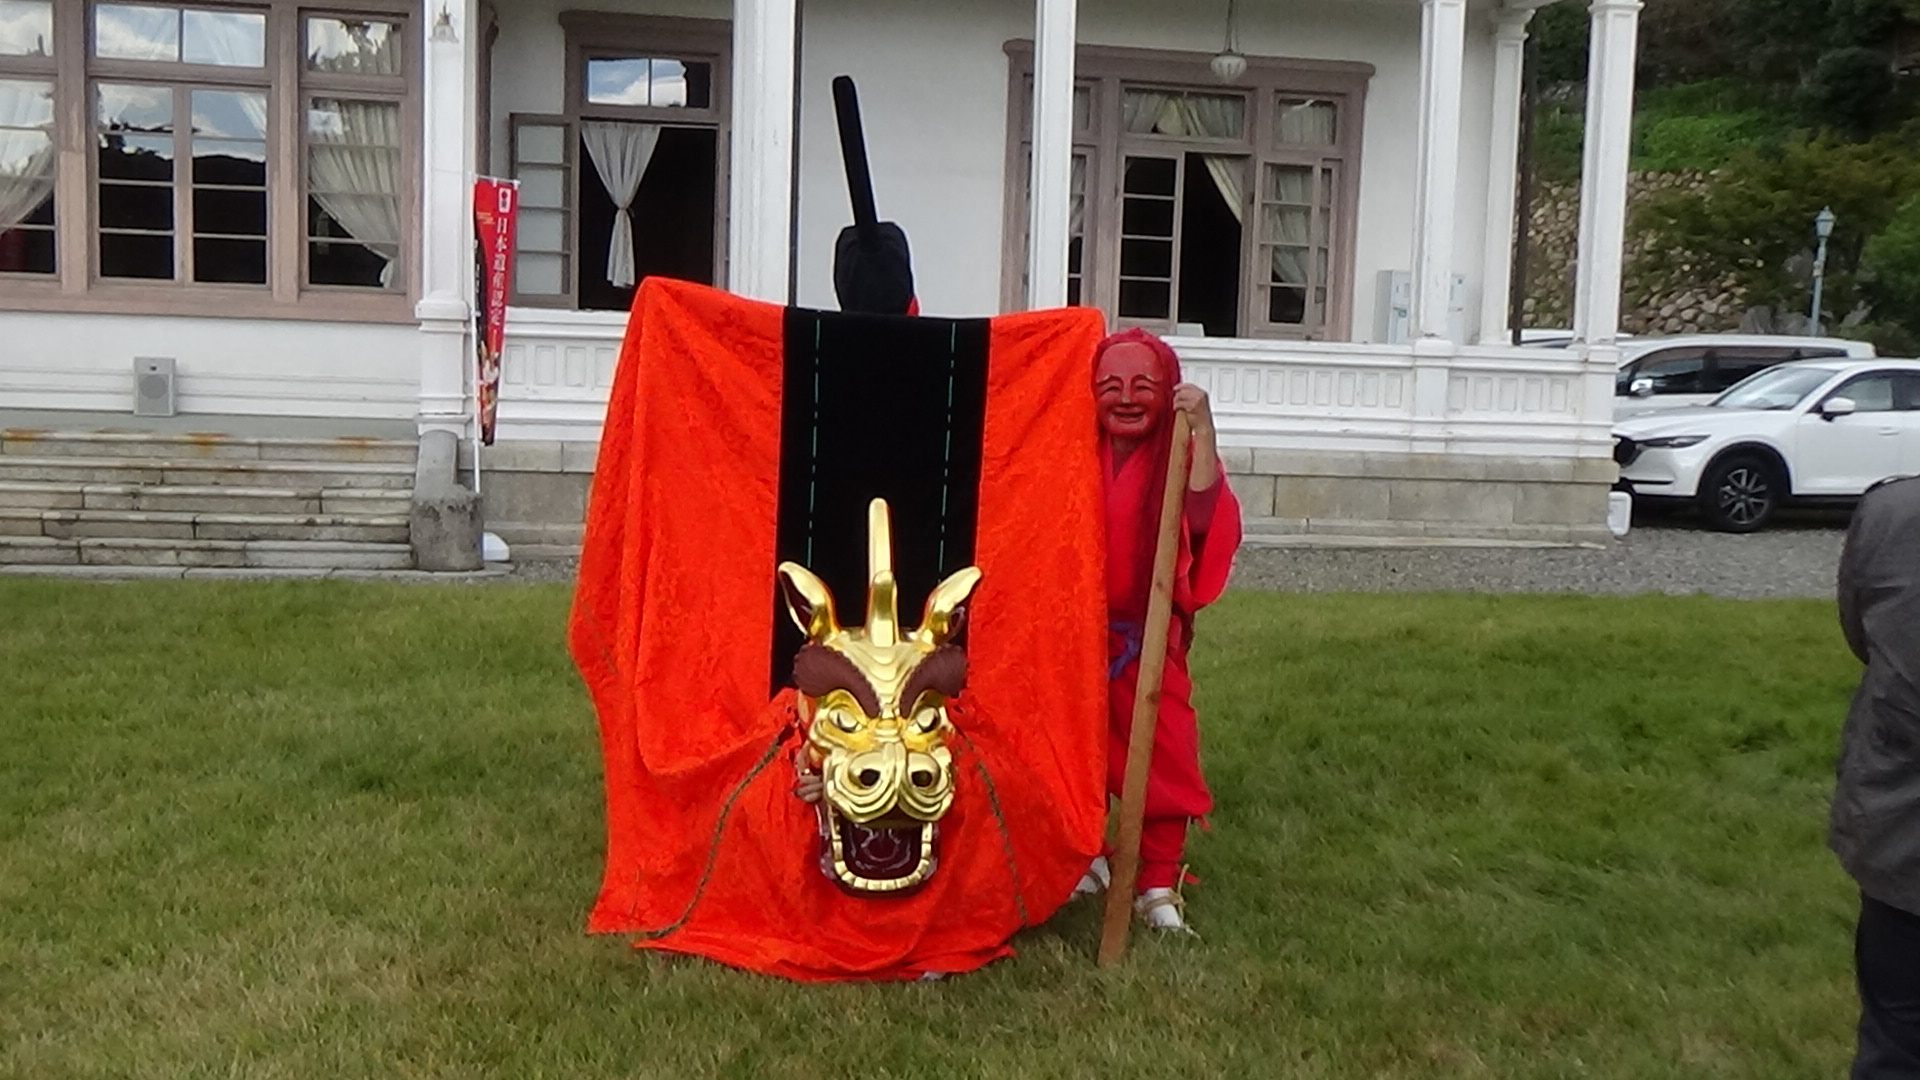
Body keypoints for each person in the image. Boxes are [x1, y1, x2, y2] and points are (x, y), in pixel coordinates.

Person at [1074, 329, 1243, 932]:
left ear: (1167, 392)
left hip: (1147, 641)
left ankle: (1155, 883)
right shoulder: (1071, 451)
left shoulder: (1177, 452)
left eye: (1142, 386)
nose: (1125, 398)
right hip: (1077, 641)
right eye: (1109, 386)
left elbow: (1201, 516)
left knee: (1165, 757)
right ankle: (1084, 857)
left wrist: (1203, 429)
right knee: (1076, 753)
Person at [1833, 474, 1920, 1078]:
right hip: (1901, 824)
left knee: (1897, 1038)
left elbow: (1862, 635)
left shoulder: (1895, 510)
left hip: (1902, 824)